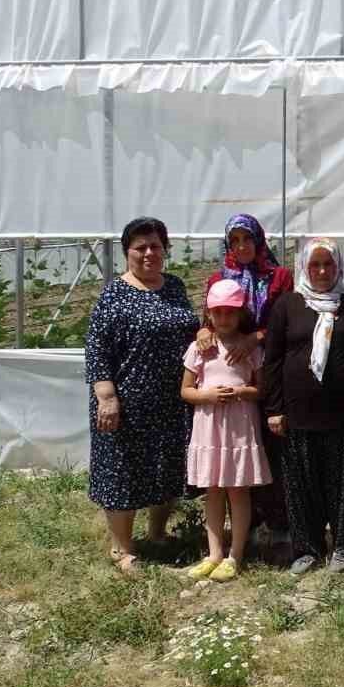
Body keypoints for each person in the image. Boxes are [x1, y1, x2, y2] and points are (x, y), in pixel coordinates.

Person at [85, 216, 199, 573]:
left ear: (165, 249)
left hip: (172, 400)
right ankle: (122, 547)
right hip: (127, 403)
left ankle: (157, 534)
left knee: (167, 468)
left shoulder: (175, 287)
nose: (149, 253)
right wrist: (106, 395)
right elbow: (97, 348)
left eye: (155, 246)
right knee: (123, 471)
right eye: (141, 247)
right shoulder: (114, 294)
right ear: (127, 253)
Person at [264, 237, 344, 574]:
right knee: (301, 483)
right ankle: (307, 547)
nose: (323, 270)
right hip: (298, 413)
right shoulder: (288, 304)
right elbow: (273, 360)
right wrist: (274, 409)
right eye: (315, 264)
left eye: (329, 264)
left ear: (338, 266)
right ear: (304, 267)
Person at [200, 214, 295, 550]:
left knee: (270, 449)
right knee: (234, 451)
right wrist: (202, 331)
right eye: (235, 240)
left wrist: (254, 337)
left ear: (258, 241)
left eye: (247, 239)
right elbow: (207, 320)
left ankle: (280, 525)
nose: (241, 246)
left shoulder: (279, 276)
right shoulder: (218, 278)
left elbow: (285, 321)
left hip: (268, 369)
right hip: (230, 373)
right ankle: (246, 529)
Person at [180, 280, 271, 582]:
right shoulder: (199, 347)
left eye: (230, 312)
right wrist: (206, 396)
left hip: (239, 426)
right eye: (217, 313)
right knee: (213, 490)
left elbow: (262, 389)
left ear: (240, 313)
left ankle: (236, 554)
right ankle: (214, 553)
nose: (223, 319)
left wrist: (243, 391)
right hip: (209, 426)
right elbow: (186, 391)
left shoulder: (250, 348)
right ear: (209, 314)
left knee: (238, 490)